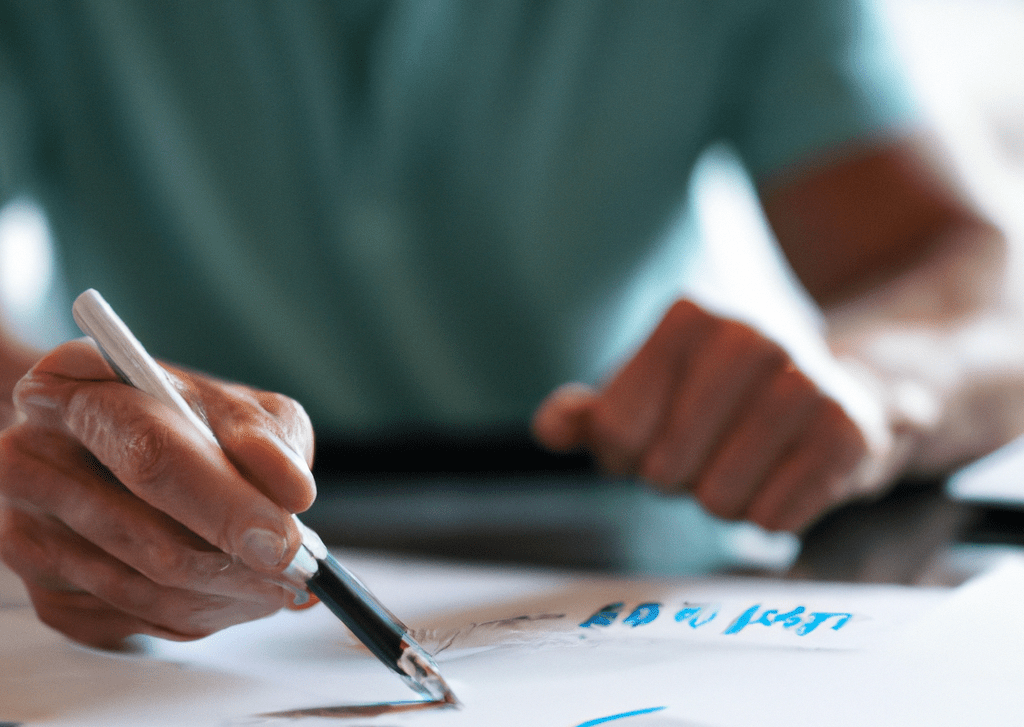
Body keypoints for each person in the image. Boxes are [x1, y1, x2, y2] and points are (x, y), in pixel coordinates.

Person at [0, 0, 1017, 651]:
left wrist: (875, 388)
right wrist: (56, 452)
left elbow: (979, 280)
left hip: (643, 552)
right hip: (162, 573)